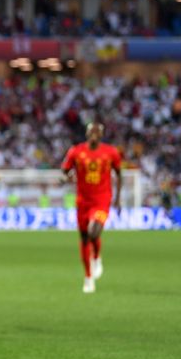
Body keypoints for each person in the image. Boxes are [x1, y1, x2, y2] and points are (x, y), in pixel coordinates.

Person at [61, 122, 121, 294]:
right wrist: (66, 177)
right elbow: (65, 170)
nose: (94, 134)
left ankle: (96, 256)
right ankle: (88, 278)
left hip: (102, 199)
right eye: (91, 131)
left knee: (94, 231)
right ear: (86, 134)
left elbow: (119, 173)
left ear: (101, 135)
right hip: (83, 201)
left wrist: (117, 199)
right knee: (85, 238)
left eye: (97, 131)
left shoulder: (111, 152)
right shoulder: (76, 151)